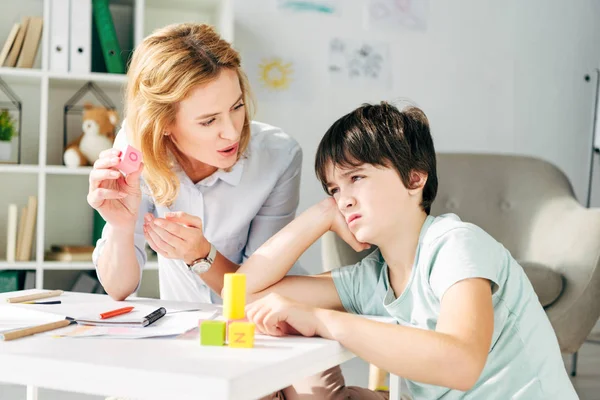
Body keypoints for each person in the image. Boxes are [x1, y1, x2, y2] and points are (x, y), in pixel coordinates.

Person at [226, 102, 578, 399]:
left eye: (356, 178)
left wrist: (323, 320)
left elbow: (461, 364)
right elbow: (242, 296)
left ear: (414, 178)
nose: (343, 199)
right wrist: (318, 216)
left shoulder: (456, 244)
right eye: (333, 189)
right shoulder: (371, 278)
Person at [88, 23, 304, 303]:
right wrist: (120, 225)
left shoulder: (279, 157)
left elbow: (258, 293)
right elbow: (119, 289)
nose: (232, 131)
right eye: (209, 120)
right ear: (163, 124)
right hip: (185, 335)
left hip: (263, 327)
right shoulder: (137, 146)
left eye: (237, 107)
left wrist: (201, 255)